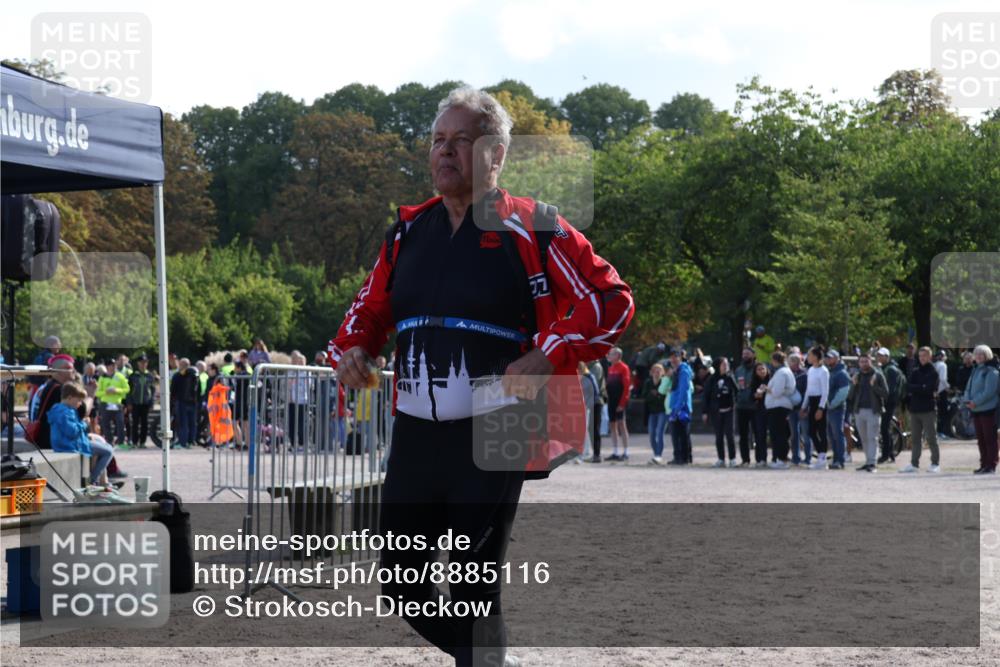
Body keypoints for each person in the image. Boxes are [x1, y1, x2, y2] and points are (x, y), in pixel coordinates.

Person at [326, 86, 633, 667]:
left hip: (501, 426)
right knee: (401, 586)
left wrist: (550, 349)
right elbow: (365, 312)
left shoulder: (534, 227)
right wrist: (351, 349)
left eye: (459, 141)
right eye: (437, 141)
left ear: (496, 155)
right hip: (415, 432)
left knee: (474, 593)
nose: (443, 152)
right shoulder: (407, 233)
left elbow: (610, 299)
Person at [48, 382, 114, 487]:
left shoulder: (60, 409)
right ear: (69, 398)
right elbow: (72, 432)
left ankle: (99, 481)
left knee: (101, 443)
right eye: (78, 400)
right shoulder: (65, 412)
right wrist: (84, 423)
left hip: (67, 443)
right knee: (108, 451)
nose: (80, 403)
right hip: (69, 446)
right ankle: (93, 480)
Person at [899, 346, 940, 473]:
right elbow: (908, 387)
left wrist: (918, 388)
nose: (922, 358)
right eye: (920, 356)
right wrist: (920, 387)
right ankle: (914, 463)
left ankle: (935, 463)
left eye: (925, 356)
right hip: (915, 409)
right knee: (915, 439)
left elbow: (928, 389)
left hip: (928, 409)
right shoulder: (915, 371)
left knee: (931, 438)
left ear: (930, 357)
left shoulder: (933, 372)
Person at [848, 352, 888, 472]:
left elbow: (886, 394)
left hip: (873, 410)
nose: (864, 364)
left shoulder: (878, 375)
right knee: (864, 438)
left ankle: (873, 463)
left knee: (873, 437)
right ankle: (868, 461)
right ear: (859, 363)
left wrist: (874, 386)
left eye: (866, 361)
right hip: (859, 411)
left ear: (870, 361)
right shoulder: (857, 375)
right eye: (861, 361)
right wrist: (853, 385)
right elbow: (850, 396)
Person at [963, 345, 998, 474]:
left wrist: (975, 402)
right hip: (976, 410)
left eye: (981, 354)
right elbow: (968, 388)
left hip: (988, 409)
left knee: (990, 439)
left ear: (987, 355)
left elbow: (989, 392)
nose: (978, 357)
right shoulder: (975, 370)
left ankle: (991, 464)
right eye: (976, 354)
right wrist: (967, 400)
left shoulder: (991, 372)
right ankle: (983, 464)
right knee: (981, 439)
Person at [703, 356, 738, 467]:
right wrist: (705, 412)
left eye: (727, 364)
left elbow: (736, 392)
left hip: (729, 410)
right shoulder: (711, 379)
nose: (726, 366)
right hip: (716, 411)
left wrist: (734, 404)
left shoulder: (730, 378)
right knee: (719, 436)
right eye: (723, 364)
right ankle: (721, 458)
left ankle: (732, 458)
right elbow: (706, 396)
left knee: (730, 436)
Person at [764, 351, 796, 469]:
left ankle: (782, 459)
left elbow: (777, 392)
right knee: (779, 433)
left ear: (775, 360)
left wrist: (767, 389)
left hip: (778, 406)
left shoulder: (782, 373)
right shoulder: (783, 372)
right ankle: (779, 458)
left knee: (779, 433)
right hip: (777, 406)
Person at [801, 346, 830, 470]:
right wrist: (804, 406)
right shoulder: (811, 370)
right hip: (812, 401)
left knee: (821, 431)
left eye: (810, 355)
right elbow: (808, 389)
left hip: (820, 402)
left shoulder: (823, 371)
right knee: (811, 431)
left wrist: (821, 408)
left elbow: (825, 391)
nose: (808, 357)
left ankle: (822, 457)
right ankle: (820, 455)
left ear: (816, 356)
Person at [876, 348, 904, 464]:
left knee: (884, 428)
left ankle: (886, 454)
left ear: (887, 357)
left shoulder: (890, 370)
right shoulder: (885, 368)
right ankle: (890, 453)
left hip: (889, 403)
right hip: (888, 402)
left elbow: (890, 389)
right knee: (885, 428)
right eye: (878, 355)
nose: (879, 357)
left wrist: (882, 397)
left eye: (882, 355)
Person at [824, 349, 850, 470]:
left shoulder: (841, 373)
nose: (828, 359)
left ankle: (840, 460)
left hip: (837, 408)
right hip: (830, 408)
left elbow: (843, 392)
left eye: (830, 357)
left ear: (837, 358)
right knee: (832, 435)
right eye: (827, 358)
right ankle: (835, 459)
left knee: (838, 435)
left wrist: (832, 404)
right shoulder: (831, 372)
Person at [605, 347, 632, 461]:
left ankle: (626, 452)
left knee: (622, 424)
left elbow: (626, 387)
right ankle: (615, 451)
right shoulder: (610, 368)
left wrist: (622, 403)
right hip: (611, 400)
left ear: (617, 356)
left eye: (611, 354)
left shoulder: (624, 368)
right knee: (612, 425)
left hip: (620, 400)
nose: (608, 356)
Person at [668, 349, 693, 464]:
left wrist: (678, 407)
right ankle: (678, 457)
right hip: (675, 407)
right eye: (671, 357)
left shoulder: (683, 371)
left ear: (680, 358)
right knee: (675, 434)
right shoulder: (676, 371)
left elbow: (684, 390)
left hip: (682, 408)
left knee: (683, 434)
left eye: (675, 357)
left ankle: (685, 458)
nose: (673, 359)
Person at [126, 354, 157, 448]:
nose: (143, 364)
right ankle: (134, 442)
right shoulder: (133, 376)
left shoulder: (150, 376)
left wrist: (152, 402)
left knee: (145, 423)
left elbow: (153, 390)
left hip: (145, 403)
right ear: (138, 364)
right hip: (135, 403)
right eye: (141, 362)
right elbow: (129, 390)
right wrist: (129, 402)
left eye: (145, 362)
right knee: (135, 423)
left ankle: (142, 442)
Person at [96, 361, 129, 447]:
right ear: (107, 367)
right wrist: (106, 392)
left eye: (113, 365)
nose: (112, 367)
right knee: (106, 424)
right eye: (110, 365)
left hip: (117, 404)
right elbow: (97, 393)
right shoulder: (102, 378)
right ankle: (109, 442)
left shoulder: (120, 376)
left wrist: (117, 390)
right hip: (105, 404)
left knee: (120, 423)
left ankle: (121, 443)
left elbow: (127, 389)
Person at [734, 347, 757, 466]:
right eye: (743, 354)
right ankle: (745, 459)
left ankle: (760, 460)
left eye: (747, 353)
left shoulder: (758, 369)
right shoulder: (739, 370)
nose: (745, 356)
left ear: (753, 355)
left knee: (758, 433)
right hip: (741, 406)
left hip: (755, 406)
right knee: (743, 435)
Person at [170, 358, 201, 448]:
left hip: (181, 402)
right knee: (192, 423)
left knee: (183, 423)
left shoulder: (177, 375)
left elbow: (173, 390)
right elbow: (198, 390)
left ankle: (183, 443)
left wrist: (173, 401)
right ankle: (191, 441)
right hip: (193, 403)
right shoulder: (195, 375)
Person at [787, 352, 811, 466]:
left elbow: (807, 392)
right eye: (791, 361)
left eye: (794, 361)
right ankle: (795, 457)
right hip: (791, 408)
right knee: (794, 435)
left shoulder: (805, 375)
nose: (792, 364)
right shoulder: (787, 374)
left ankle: (808, 458)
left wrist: (805, 407)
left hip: (803, 407)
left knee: (806, 434)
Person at [643, 363, 667, 464]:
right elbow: (644, 395)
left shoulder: (664, 382)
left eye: (659, 371)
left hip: (662, 411)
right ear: (651, 372)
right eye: (655, 371)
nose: (657, 373)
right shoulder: (648, 383)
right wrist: (655, 396)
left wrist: (656, 396)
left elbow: (663, 397)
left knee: (659, 432)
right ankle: (655, 454)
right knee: (651, 433)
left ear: (662, 373)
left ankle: (658, 456)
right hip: (651, 412)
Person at [750, 362, 771, 467]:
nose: (761, 371)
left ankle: (776, 458)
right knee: (759, 435)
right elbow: (751, 397)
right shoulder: (754, 382)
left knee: (773, 434)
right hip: (759, 411)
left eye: (763, 369)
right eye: (758, 369)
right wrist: (756, 395)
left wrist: (768, 390)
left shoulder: (772, 380)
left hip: (771, 410)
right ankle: (761, 459)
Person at [584, 359, 605, 463]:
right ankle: (594, 454)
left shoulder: (595, 366)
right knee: (591, 428)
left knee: (595, 428)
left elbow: (592, 386)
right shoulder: (590, 366)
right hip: (590, 402)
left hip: (596, 402)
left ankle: (597, 454)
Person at [933, 350, 953, 439]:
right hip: (941, 391)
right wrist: (948, 388)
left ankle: (937, 431)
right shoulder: (943, 365)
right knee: (943, 413)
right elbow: (943, 379)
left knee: (936, 413)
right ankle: (941, 432)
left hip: (934, 391)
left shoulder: (934, 365)